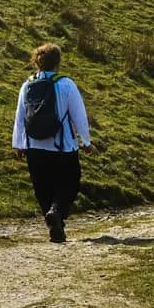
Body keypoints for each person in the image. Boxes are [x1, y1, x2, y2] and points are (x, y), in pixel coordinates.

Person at [11, 42, 93, 243]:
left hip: (35, 147)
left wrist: (19, 143)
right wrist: (86, 140)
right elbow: (78, 115)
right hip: (62, 146)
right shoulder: (66, 84)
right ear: (57, 62)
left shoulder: (27, 84)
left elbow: (20, 116)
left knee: (43, 187)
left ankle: (55, 221)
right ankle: (56, 213)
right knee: (69, 183)